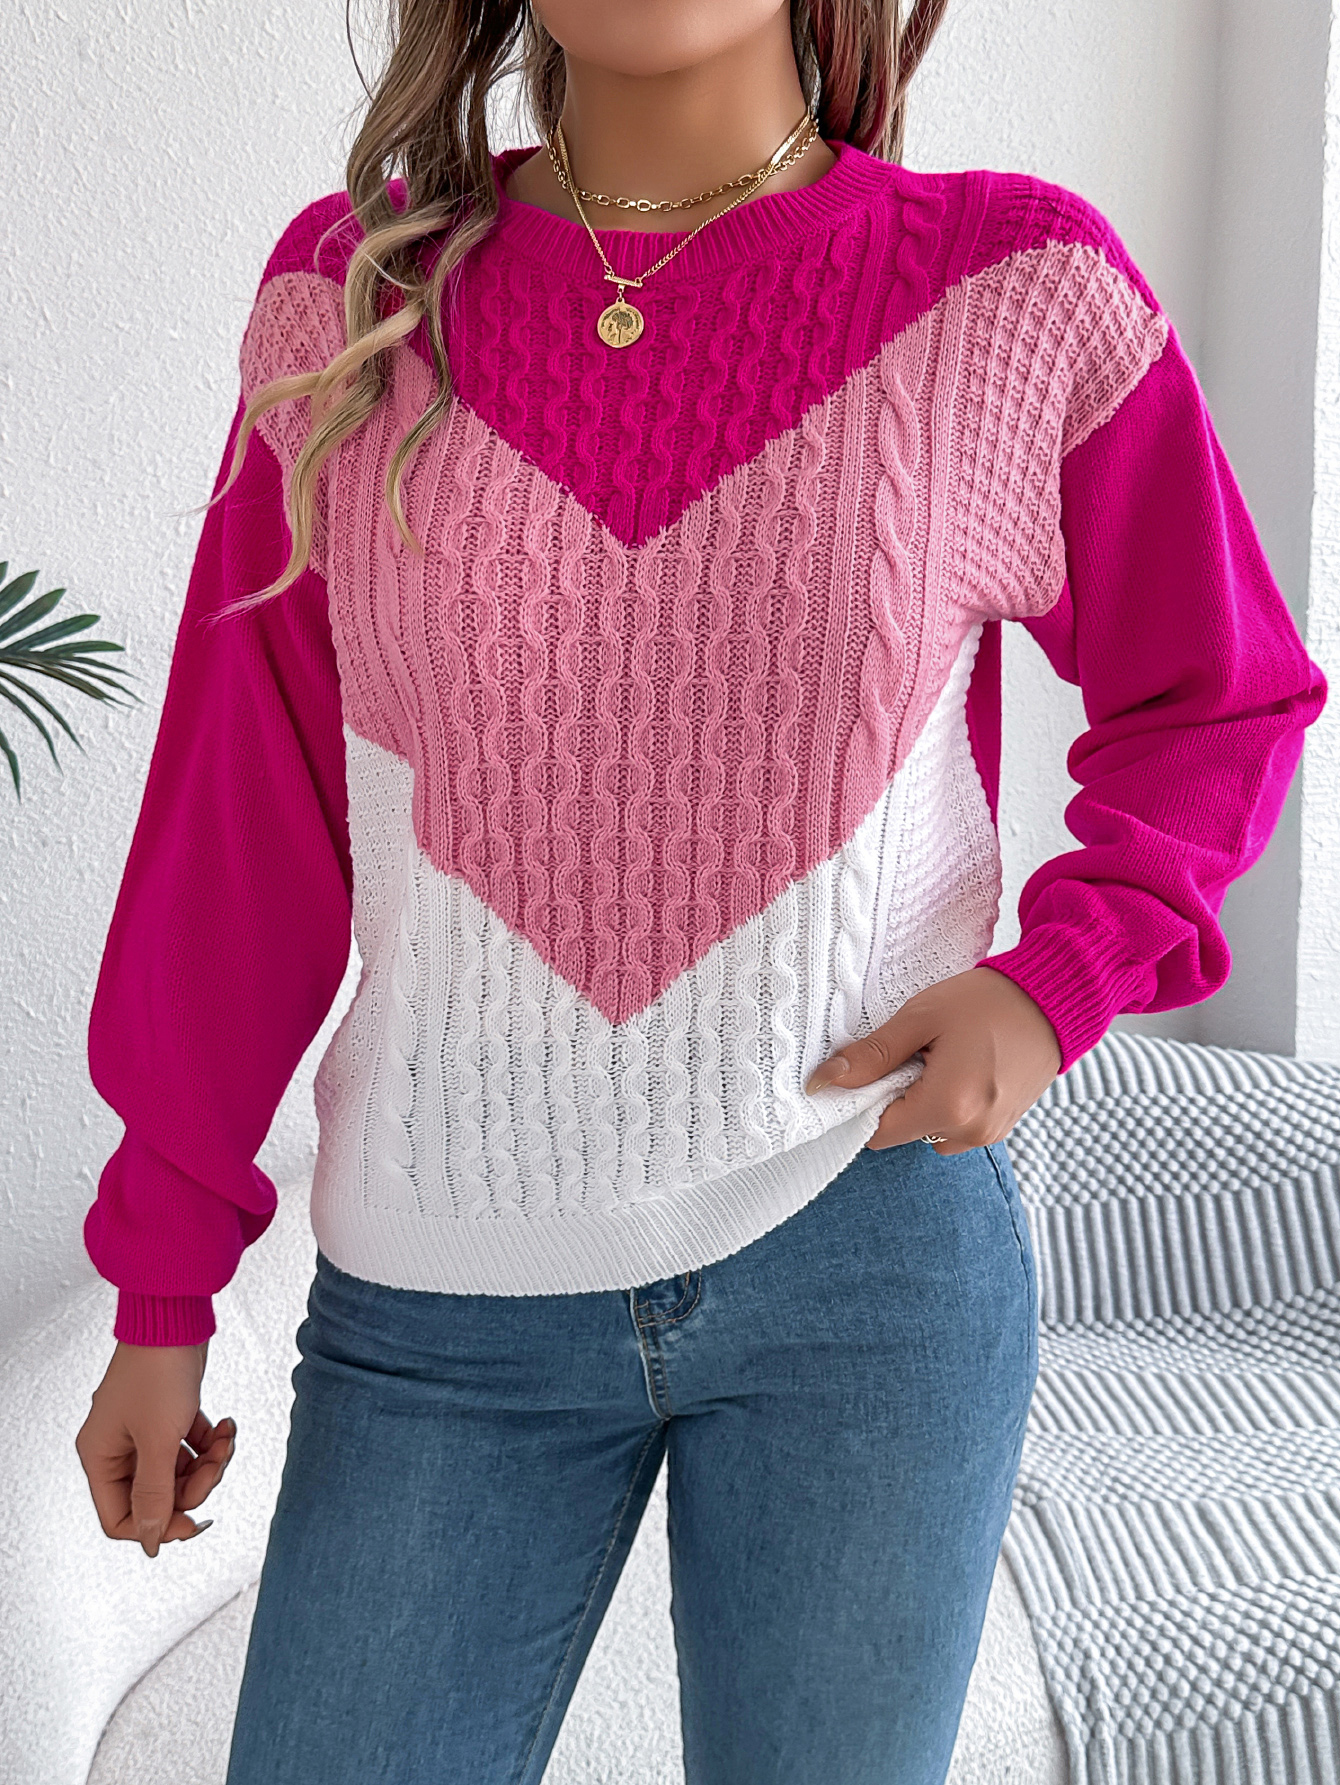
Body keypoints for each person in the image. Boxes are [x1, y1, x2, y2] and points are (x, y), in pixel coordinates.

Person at [72, 1, 1325, 1780]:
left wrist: (1060, 977)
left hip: (869, 1263)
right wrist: (162, 1285)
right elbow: (239, 826)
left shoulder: (1011, 289)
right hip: (442, 1290)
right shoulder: (354, 302)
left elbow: (1220, 694)